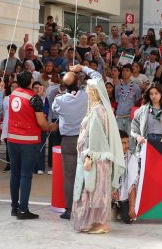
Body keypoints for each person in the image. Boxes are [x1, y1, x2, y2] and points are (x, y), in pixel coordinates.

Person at [71, 77, 126, 234]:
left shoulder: (96, 110)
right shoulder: (100, 109)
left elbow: (96, 136)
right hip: (97, 158)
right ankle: (94, 221)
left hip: (94, 159)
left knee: (94, 191)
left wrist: (90, 157)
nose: (86, 92)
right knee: (95, 190)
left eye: (88, 89)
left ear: (94, 92)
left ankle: (98, 223)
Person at [51, 63, 102, 220]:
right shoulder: (86, 95)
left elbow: (54, 109)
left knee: (69, 175)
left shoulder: (59, 100)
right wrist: (82, 68)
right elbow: (98, 79)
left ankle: (69, 209)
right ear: (79, 83)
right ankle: (85, 207)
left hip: (67, 141)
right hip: (85, 140)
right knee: (87, 174)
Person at [6, 71, 58, 219]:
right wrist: (50, 127)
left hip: (12, 139)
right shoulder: (34, 98)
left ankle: (14, 207)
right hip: (28, 140)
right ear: (30, 82)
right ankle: (23, 209)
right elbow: (41, 123)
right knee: (25, 175)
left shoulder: (14, 93)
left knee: (14, 174)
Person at [131, 82, 162, 151]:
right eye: (151, 94)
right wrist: (138, 137)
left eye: (156, 93)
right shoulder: (142, 109)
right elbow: (133, 129)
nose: (154, 96)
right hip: (146, 142)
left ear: (161, 94)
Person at [113, 130, 139, 224]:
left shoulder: (132, 158)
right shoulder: (110, 156)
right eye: (123, 143)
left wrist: (131, 208)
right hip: (109, 193)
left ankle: (120, 207)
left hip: (123, 195)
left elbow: (132, 184)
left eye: (128, 142)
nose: (127, 145)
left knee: (128, 219)